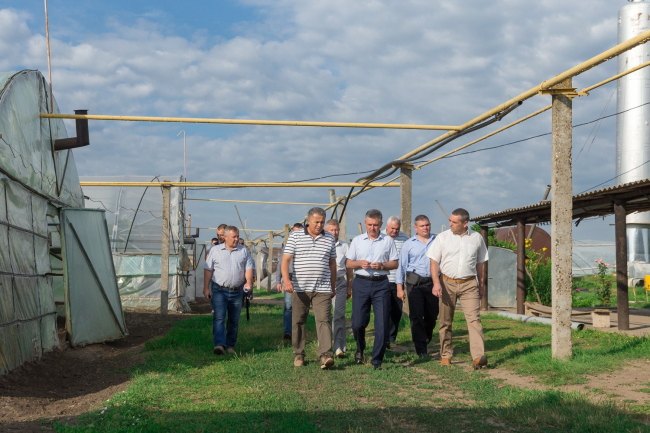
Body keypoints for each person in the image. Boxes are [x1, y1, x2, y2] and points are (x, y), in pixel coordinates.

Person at [427, 208, 489, 369]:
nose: (450, 224)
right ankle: (446, 354)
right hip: (447, 283)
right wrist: (436, 283)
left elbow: (481, 263)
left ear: (465, 223)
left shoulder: (476, 238)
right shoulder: (442, 238)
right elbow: (433, 261)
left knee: (474, 320)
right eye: (450, 220)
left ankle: (478, 356)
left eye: (454, 222)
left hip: (469, 284)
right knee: (445, 321)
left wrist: (481, 285)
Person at [282, 208, 337, 369]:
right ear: (308, 220)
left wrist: (332, 285)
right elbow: (286, 260)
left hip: (322, 288)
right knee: (298, 321)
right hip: (300, 288)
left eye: (322, 222)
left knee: (324, 320)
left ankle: (326, 355)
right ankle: (299, 354)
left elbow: (332, 263)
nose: (319, 225)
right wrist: (286, 280)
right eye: (316, 222)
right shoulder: (296, 236)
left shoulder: (329, 237)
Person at [346, 209, 398, 370]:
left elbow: (395, 263)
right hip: (361, 283)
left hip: (381, 284)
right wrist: (359, 263)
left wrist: (382, 265)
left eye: (375, 225)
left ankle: (377, 360)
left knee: (382, 323)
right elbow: (348, 263)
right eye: (369, 224)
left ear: (381, 224)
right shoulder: (357, 241)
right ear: (365, 223)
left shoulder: (388, 241)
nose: (372, 228)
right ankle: (360, 349)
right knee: (357, 323)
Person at [203, 226, 254, 355]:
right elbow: (208, 269)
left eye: (237, 236)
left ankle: (230, 346)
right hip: (219, 290)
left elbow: (249, 268)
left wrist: (248, 282)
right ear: (225, 237)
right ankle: (220, 345)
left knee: (234, 320)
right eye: (234, 237)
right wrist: (206, 287)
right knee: (219, 317)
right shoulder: (215, 251)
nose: (237, 239)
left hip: (237, 291)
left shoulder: (244, 251)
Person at [396, 215, 438, 358]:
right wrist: (399, 288)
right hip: (415, 285)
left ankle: (426, 337)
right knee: (416, 316)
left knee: (432, 315)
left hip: (432, 283)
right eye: (422, 226)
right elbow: (401, 267)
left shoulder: (437, 241)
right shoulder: (408, 244)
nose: (425, 228)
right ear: (416, 228)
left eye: (427, 225)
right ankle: (421, 349)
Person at [325, 219, 353, 358]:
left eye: (336, 230)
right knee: (324, 316)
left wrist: (349, 287)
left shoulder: (344, 246)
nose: (334, 232)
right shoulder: (322, 244)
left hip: (340, 282)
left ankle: (339, 346)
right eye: (332, 230)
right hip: (324, 283)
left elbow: (349, 268)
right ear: (326, 231)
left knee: (339, 315)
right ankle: (324, 346)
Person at [382, 216, 409, 348]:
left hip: (398, 281)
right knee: (383, 310)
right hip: (383, 279)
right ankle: (383, 337)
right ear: (386, 226)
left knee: (396, 311)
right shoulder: (379, 237)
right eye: (392, 228)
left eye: (397, 229)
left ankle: (392, 337)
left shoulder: (404, 238)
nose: (394, 231)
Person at [276, 223, 304, 341]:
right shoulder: (287, 246)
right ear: (292, 232)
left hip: (302, 278)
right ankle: (288, 332)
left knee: (301, 306)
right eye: (295, 232)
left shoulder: (306, 246)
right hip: (290, 277)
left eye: (299, 232)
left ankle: (299, 331)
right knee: (288, 306)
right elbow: (280, 264)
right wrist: (278, 281)